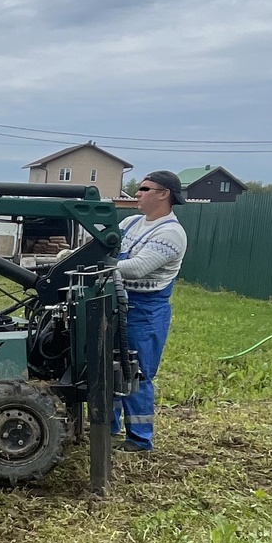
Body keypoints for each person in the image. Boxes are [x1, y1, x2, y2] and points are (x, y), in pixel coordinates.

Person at [113, 170, 188, 452]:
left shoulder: (170, 233)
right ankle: (106, 426)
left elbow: (137, 267)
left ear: (163, 194)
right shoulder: (131, 222)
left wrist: (96, 267)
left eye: (144, 188)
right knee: (108, 367)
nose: (137, 193)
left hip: (144, 310)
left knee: (137, 372)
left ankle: (139, 439)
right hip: (115, 302)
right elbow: (102, 246)